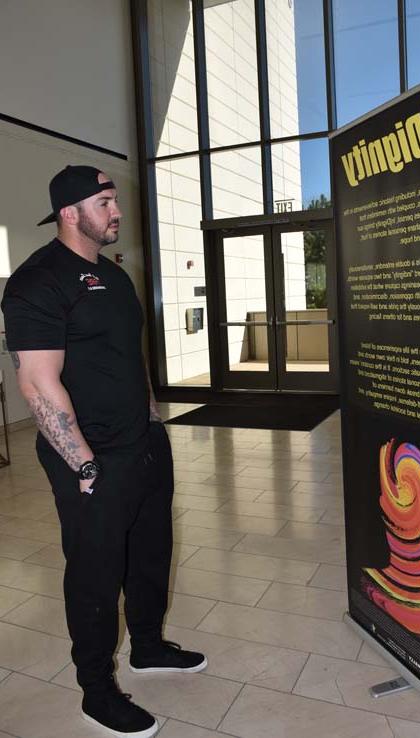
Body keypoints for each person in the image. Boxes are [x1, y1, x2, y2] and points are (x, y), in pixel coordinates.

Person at [1, 165, 207, 738]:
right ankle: (96, 690)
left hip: (142, 444)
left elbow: (127, 354)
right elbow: (39, 385)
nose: (117, 211)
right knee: (94, 574)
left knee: (149, 553)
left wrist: (150, 419)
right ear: (71, 213)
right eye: (105, 202)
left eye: (114, 200)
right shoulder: (36, 282)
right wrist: (84, 464)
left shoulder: (115, 279)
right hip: (91, 457)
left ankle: (147, 645)